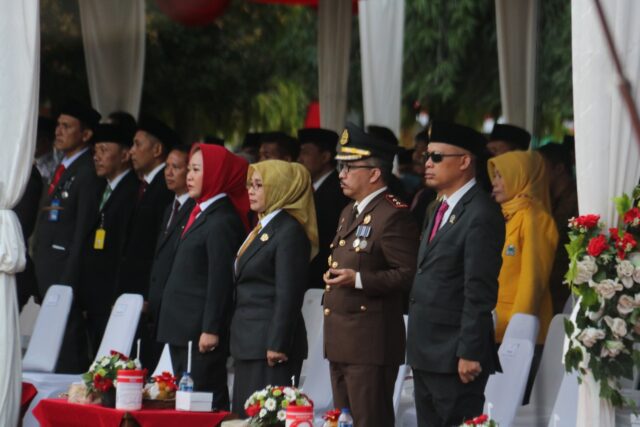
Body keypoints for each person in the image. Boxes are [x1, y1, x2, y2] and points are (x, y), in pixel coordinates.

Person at [407, 121, 505, 427]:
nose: (427, 164)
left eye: (437, 157)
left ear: (464, 161)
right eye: (426, 156)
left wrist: (470, 352)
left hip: (454, 355)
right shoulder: (436, 208)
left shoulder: (481, 213)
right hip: (426, 349)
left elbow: (479, 290)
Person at [323, 123, 419, 426]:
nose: (341, 173)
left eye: (349, 167)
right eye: (340, 166)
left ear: (375, 173)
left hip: (370, 343)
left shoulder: (393, 214)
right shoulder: (349, 211)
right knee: (343, 421)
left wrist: (359, 279)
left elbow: (407, 273)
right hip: (341, 339)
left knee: (369, 420)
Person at [157, 144, 248, 411]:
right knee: (186, 403)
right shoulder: (200, 212)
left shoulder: (222, 220)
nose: (189, 176)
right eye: (190, 169)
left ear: (216, 175)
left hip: (199, 332)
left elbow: (220, 279)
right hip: (181, 327)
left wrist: (211, 328)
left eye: (197, 170)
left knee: (203, 402)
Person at [231, 160, 317, 417]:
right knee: (246, 416)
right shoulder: (263, 226)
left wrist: (277, 343)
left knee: (265, 418)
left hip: (270, 345)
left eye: (259, 185)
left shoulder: (289, 231)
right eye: (250, 185)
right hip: (249, 339)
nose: (251, 191)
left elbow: (288, 292)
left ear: (280, 189)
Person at [33, 101, 103, 372]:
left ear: (85, 135)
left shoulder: (86, 172)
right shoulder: (66, 167)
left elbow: (82, 230)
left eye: (66, 126)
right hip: (49, 270)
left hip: (65, 273)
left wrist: (69, 280)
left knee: (67, 348)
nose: (58, 132)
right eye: (58, 125)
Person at [79, 123, 139, 354]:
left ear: (124, 155)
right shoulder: (102, 188)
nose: (97, 156)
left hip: (112, 294)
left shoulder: (131, 191)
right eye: (95, 151)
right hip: (94, 294)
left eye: (104, 150)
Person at [488, 150, 559, 343]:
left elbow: (532, 281)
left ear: (520, 177)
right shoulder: (506, 215)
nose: (494, 182)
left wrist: (517, 330)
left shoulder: (535, 218)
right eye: (494, 176)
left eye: (501, 176)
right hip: (494, 327)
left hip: (516, 333)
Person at [116, 117, 176, 298]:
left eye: (137, 145)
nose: (131, 151)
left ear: (157, 150)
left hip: (144, 289)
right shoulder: (143, 185)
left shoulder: (165, 187)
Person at [147, 144, 195, 367]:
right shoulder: (170, 207)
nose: (168, 172)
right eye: (166, 166)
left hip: (176, 308)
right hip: (158, 303)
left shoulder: (194, 209)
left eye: (176, 167)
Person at [297, 127, 349, 289]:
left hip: (324, 279)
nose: (300, 159)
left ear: (325, 156)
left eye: (306, 153)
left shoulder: (339, 191)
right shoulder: (308, 188)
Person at [538, 142, 578, 313]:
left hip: (564, 287)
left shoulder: (577, 200)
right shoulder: (546, 200)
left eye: (542, 168)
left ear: (559, 169)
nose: (538, 174)